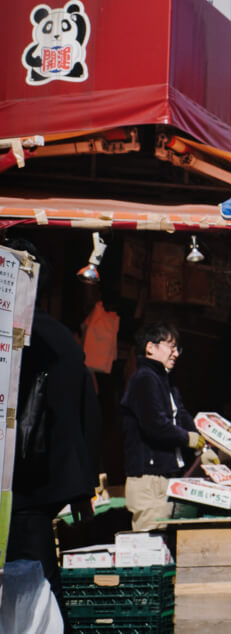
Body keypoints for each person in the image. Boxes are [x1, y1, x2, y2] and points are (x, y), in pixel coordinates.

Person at [7, 239, 101, 631]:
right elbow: (87, 415)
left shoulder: (14, 337)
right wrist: (81, 488)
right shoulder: (63, 338)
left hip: (19, 481)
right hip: (44, 488)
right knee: (39, 580)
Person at [120, 322, 204, 530]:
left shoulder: (165, 381)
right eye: (171, 347)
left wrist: (203, 444)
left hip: (167, 476)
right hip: (149, 479)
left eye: (178, 349)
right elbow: (155, 425)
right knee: (149, 543)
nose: (176, 354)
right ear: (150, 347)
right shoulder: (144, 379)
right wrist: (188, 439)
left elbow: (181, 415)